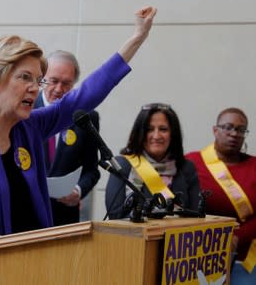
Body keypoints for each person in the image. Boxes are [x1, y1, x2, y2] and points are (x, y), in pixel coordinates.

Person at [0, 6, 157, 285]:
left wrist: (136, 38)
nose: (35, 88)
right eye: (25, 77)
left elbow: (83, 96)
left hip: (31, 272)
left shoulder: (30, 127)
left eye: (38, 80)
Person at [185, 107, 256, 284]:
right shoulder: (192, 162)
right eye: (228, 127)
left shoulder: (254, 165)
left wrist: (238, 236)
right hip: (202, 257)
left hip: (247, 259)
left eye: (241, 129)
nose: (234, 133)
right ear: (215, 130)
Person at [34, 50, 100, 225]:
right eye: (54, 81)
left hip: (64, 218)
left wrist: (78, 191)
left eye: (66, 83)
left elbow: (92, 170)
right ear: (42, 79)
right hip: (27, 215)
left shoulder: (85, 117)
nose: (58, 89)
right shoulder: (25, 110)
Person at [105, 103, 200, 220]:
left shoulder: (186, 167)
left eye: (163, 129)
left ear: (173, 134)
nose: (156, 135)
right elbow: (115, 216)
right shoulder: (122, 165)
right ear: (140, 133)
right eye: (149, 129)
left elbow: (196, 214)